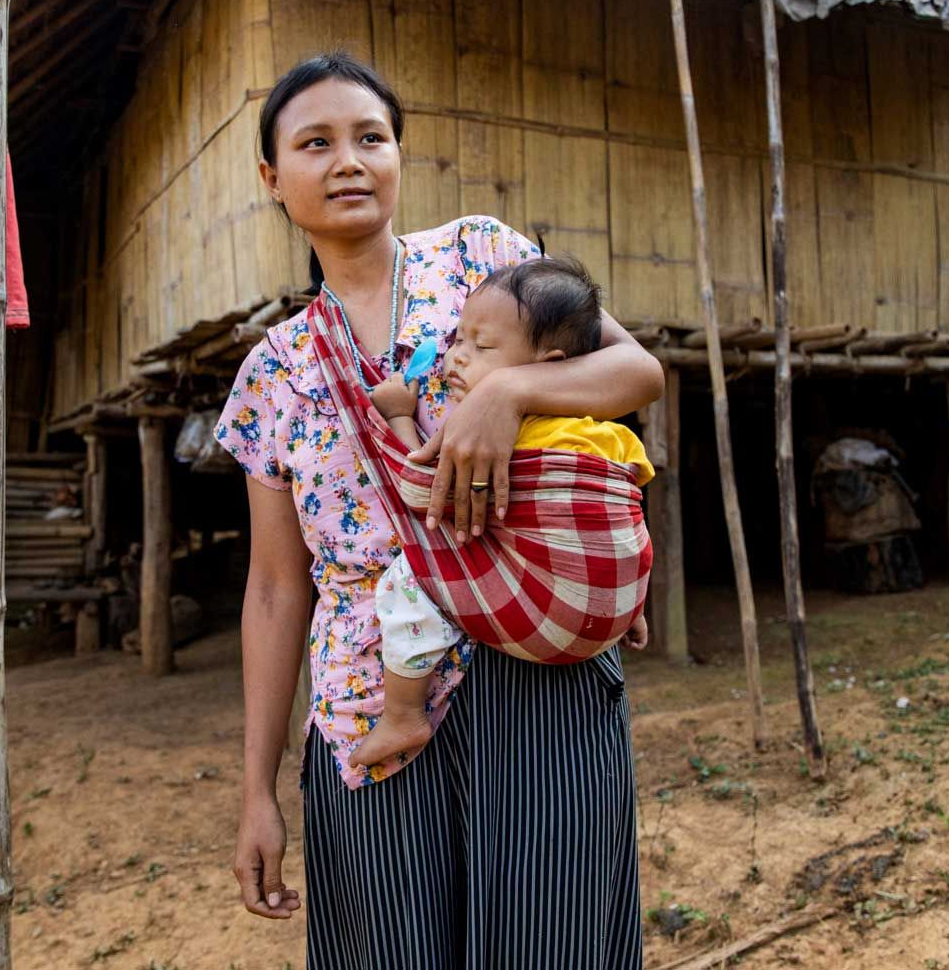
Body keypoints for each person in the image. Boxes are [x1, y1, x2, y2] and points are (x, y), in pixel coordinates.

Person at [215, 51, 663, 968]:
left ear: (399, 155)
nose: (349, 160)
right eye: (316, 142)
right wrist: (257, 787)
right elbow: (272, 588)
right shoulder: (271, 373)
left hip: (528, 661)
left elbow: (636, 372)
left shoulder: (485, 259)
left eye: (370, 137)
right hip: (368, 697)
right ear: (272, 178)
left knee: (555, 940)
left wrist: (513, 397)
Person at [351, 253, 655, 770]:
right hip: (612, 609)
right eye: (458, 341)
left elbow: (420, 492)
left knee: (408, 577)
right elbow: (619, 505)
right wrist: (622, 593)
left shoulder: (499, 439)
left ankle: (403, 712)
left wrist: (402, 417)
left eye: (483, 346)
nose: (457, 359)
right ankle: (627, 603)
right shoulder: (603, 432)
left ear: (551, 366)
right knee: (622, 518)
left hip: (547, 616)